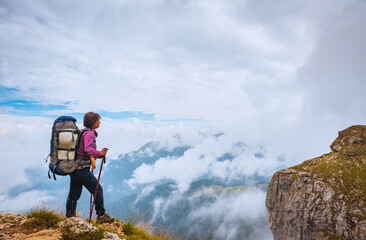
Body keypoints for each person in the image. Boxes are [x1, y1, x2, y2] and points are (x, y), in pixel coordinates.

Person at [66, 112, 114, 223]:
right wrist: (99, 154)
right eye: (98, 120)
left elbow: (83, 150)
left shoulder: (83, 132)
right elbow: (87, 149)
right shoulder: (89, 134)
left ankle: (70, 216)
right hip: (81, 168)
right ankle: (101, 216)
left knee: (74, 192)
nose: (99, 122)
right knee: (97, 189)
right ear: (93, 122)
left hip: (74, 167)